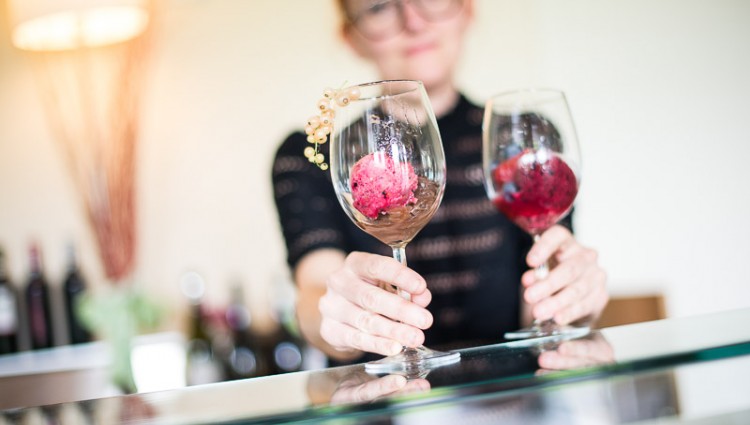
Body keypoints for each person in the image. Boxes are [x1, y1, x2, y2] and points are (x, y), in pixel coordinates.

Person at [272, 0, 608, 365]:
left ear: (467, 10)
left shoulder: (526, 140)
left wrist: (569, 300)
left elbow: (544, 290)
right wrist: (335, 316)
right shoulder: (309, 155)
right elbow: (315, 290)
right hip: (385, 405)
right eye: (380, 6)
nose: (414, 22)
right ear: (352, 36)